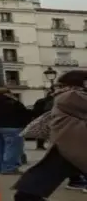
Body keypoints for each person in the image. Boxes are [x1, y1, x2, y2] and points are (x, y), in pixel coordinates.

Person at [14, 70, 87, 200]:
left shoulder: (67, 95)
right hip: (72, 144)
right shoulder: (72, 95)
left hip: (69, 144)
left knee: (40, 179)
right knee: (38, 182)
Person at [0, 87, 30, 175]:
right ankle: (9, 168)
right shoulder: (12, 102)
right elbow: (24, 113)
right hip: (11, 127)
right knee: (12, 148)